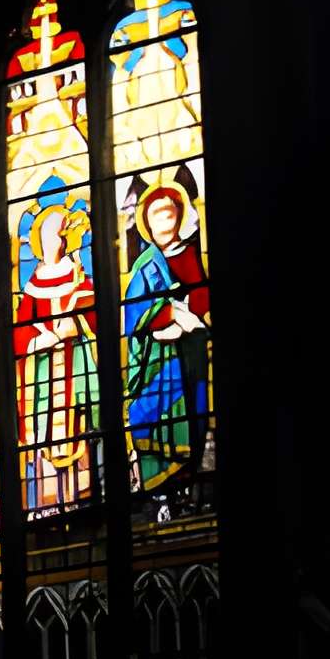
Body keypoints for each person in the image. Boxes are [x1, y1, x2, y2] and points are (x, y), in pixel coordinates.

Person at [15, 177, 99, 511]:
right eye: (47, 234)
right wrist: (39, 338)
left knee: (82, 424)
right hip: (41, 375)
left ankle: (87, 499)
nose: (54, 240)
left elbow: (94, 314)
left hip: (74, 363)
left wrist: (72, 327)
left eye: (58, 233)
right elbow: (18, 331)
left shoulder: (78, 275)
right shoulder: (33, 284)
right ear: (38, 241)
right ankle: (46, 505)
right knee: (43, 433)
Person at [123, 179, 210, 493]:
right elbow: (134, 315)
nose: (163, 221)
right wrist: (169, 312)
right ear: (147, 222)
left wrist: (189, 309)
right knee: (150, 414)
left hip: (193, 349)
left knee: (196, 409)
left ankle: (194, 478)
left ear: (179, 217)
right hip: (157, 358)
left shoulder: (190, 255)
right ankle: (161, 491)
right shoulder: (144, 265)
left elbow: (202, 295)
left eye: (169, 214)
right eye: (156, 215)